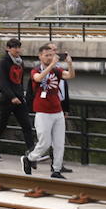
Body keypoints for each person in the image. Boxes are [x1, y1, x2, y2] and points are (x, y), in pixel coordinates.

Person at [22, 44, 75, 179]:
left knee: (59, 143)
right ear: (40, 56)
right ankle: (29, 158)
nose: (49, 57)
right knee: (44, 142)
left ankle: (56, 170)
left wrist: (69, 63)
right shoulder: (35, 70)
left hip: (57, 111)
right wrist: (51, 65)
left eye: (51, 55)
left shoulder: (57, 70)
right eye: (46, 55)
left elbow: (70, 75)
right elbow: (38, 78)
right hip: (42, 111)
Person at [0, 38, 34, 160]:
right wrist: (12, 96)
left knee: (27, 125)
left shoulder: (20, 62)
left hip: (19, 98)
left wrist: (21, 96)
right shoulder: (3, 62)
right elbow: (3, 82)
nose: (18, 49)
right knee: (2, 124)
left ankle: (31, 151)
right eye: (15, 47)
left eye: (19, 47)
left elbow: (19, 81)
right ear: (8, 48)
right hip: (7, 99)